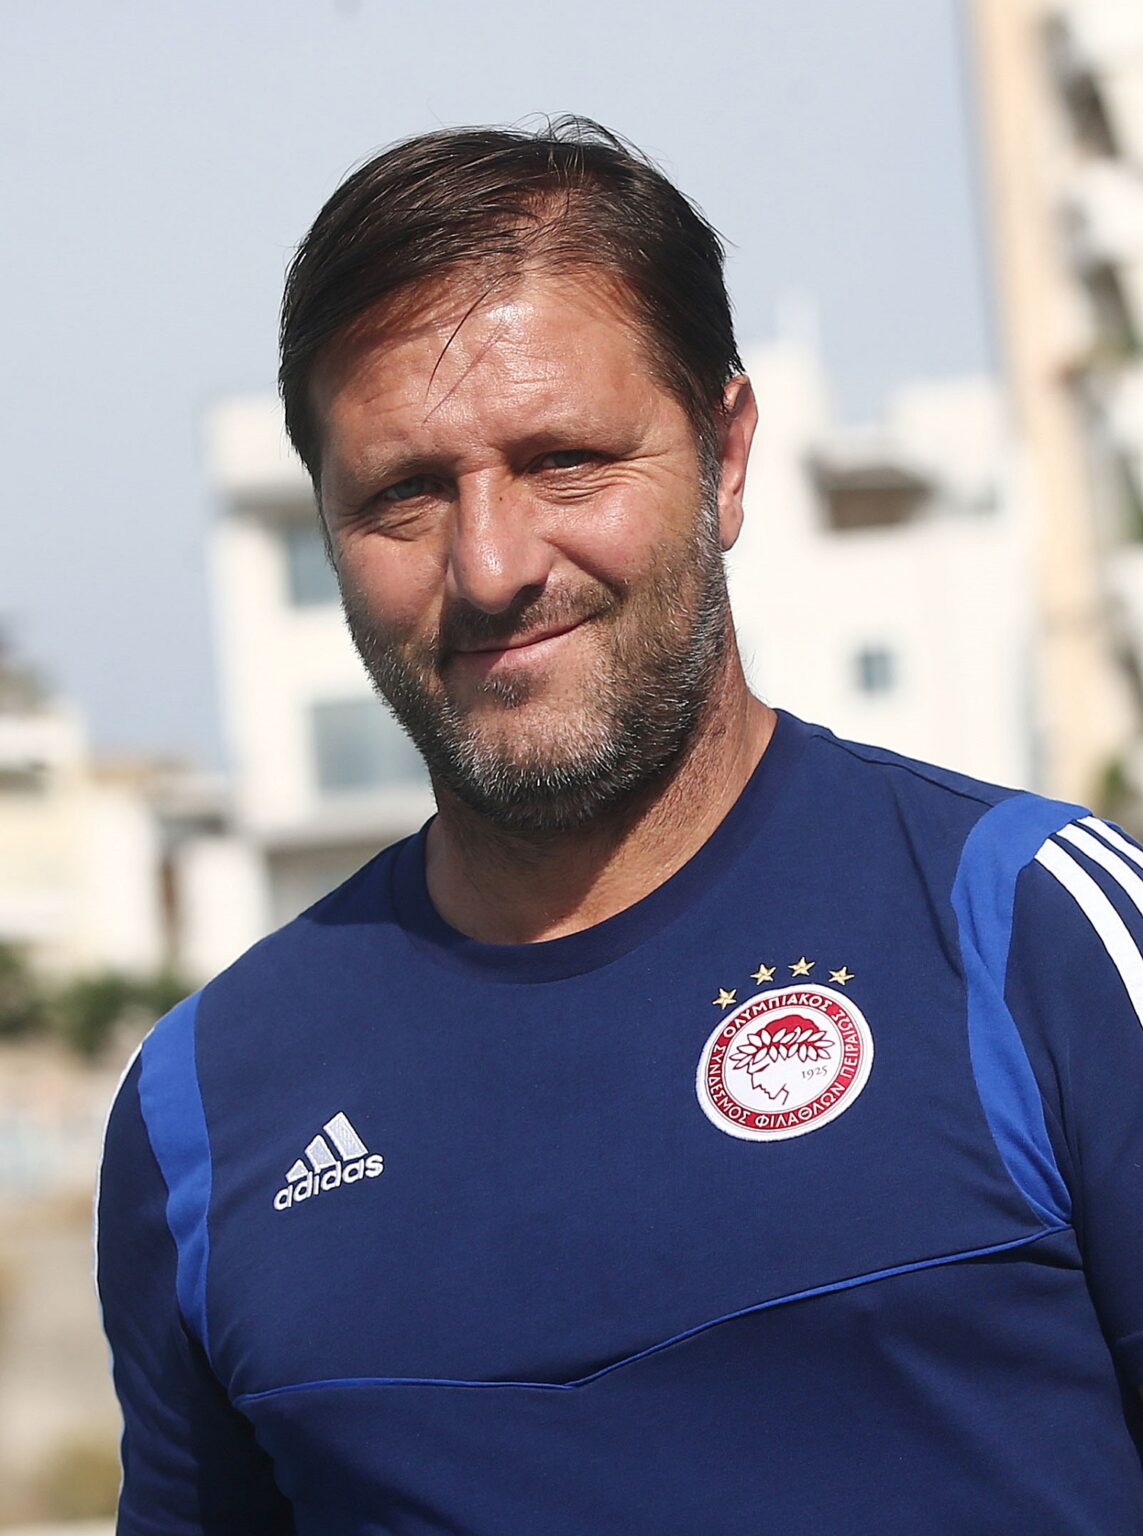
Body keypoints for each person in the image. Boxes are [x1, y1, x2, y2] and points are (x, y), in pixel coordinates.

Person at [96, 118, 1143, 1534]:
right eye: (404, 494)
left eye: (566, 461)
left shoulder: (1041, 934)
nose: (491, 565)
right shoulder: (204, 1109)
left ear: (726, 455)